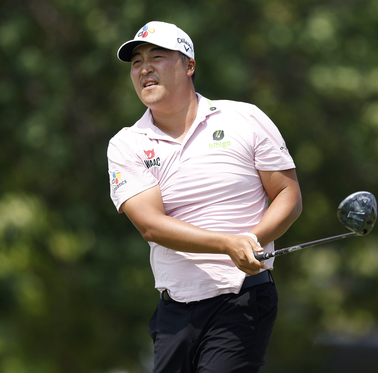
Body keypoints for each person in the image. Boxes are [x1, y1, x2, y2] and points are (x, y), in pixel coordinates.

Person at [107, 21, 302, 373]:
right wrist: (228, 243)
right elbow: (151, 226)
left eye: (157, 57)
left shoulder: (245, 118)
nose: (144, 68)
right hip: (174, 310)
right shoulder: (127, 144)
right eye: (136, 61)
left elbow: (288, 194)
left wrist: (253, 241)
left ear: (189, 65)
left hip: (241, 299)